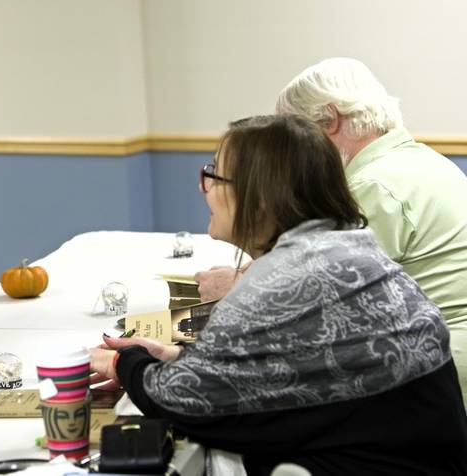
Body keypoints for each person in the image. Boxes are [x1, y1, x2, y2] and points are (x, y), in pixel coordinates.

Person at [92, 115, 467, 475]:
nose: (202, 188)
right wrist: (176, 355)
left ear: (260, 201)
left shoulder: (283, 281)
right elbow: (298, 367)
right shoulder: (346, 248)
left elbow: (185, 400)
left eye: (212, 176)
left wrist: (125, 364)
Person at [196, 58, 467, 404]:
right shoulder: (419, 160)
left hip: (435, 369)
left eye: (298, 135)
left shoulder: (372, 184)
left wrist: (235, 287)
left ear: (331, 119)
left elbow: (319, 300)